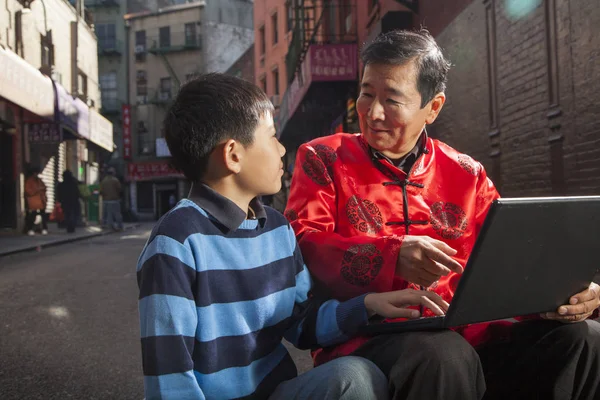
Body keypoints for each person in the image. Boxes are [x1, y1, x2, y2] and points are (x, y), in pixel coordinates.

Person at [285, 29, 600, 400]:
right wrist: (391, 255)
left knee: (583, 339)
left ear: (432, 107)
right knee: (444, 355)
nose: (372, 112)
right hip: (375, 336)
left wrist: (566, 295)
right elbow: (303, 244)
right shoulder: (324, 157)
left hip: (475, 333)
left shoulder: (467, 173)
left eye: (392, 100)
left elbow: (508, 260)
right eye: (367, 93)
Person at [136, 73, 451, 400]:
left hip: (275, 392)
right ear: (233, 155)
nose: (282, 148)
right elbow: (170, 381)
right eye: (272, 137)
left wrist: (368, 305)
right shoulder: (176, 242)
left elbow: (301, 323)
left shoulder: (277, 228)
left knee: (355, 377)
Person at [24, 166, 48, 236]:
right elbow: (28, 191)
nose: (37, 175)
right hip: (33, 201)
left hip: (41, 201)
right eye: (36, 173)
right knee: (32, 216)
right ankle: (30, 229)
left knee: (43, 216)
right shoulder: (29, 181)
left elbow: (44, 187)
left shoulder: (39, 180)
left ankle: (44, 228)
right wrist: (37, 190)